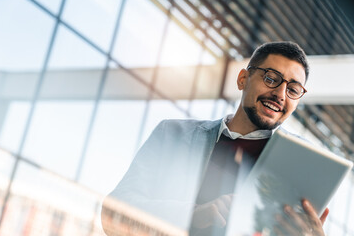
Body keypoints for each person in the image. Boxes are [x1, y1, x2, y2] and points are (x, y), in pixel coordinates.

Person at [102, 41, 330, 236]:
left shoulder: (300, 163)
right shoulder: (172, 135)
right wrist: (192, 215)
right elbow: (113, 214)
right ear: (243, 79)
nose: (280, 94)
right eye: (271, 78)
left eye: (293, 89)